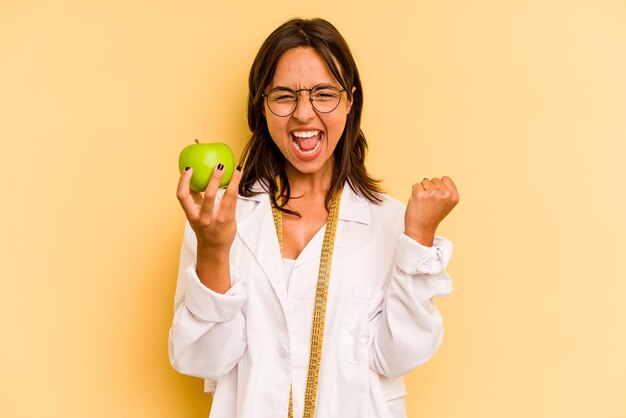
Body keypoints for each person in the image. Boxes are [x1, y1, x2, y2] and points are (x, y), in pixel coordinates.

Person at [169, 17, 459, 418]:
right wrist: (215, 250)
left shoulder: (391, 222)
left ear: (350, 100)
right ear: (262, 105)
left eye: (324, 94)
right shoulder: (217, 220)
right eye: (284, 96)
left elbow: (398, 355)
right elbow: (203, 361)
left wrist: (420, 237)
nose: (304, 114)